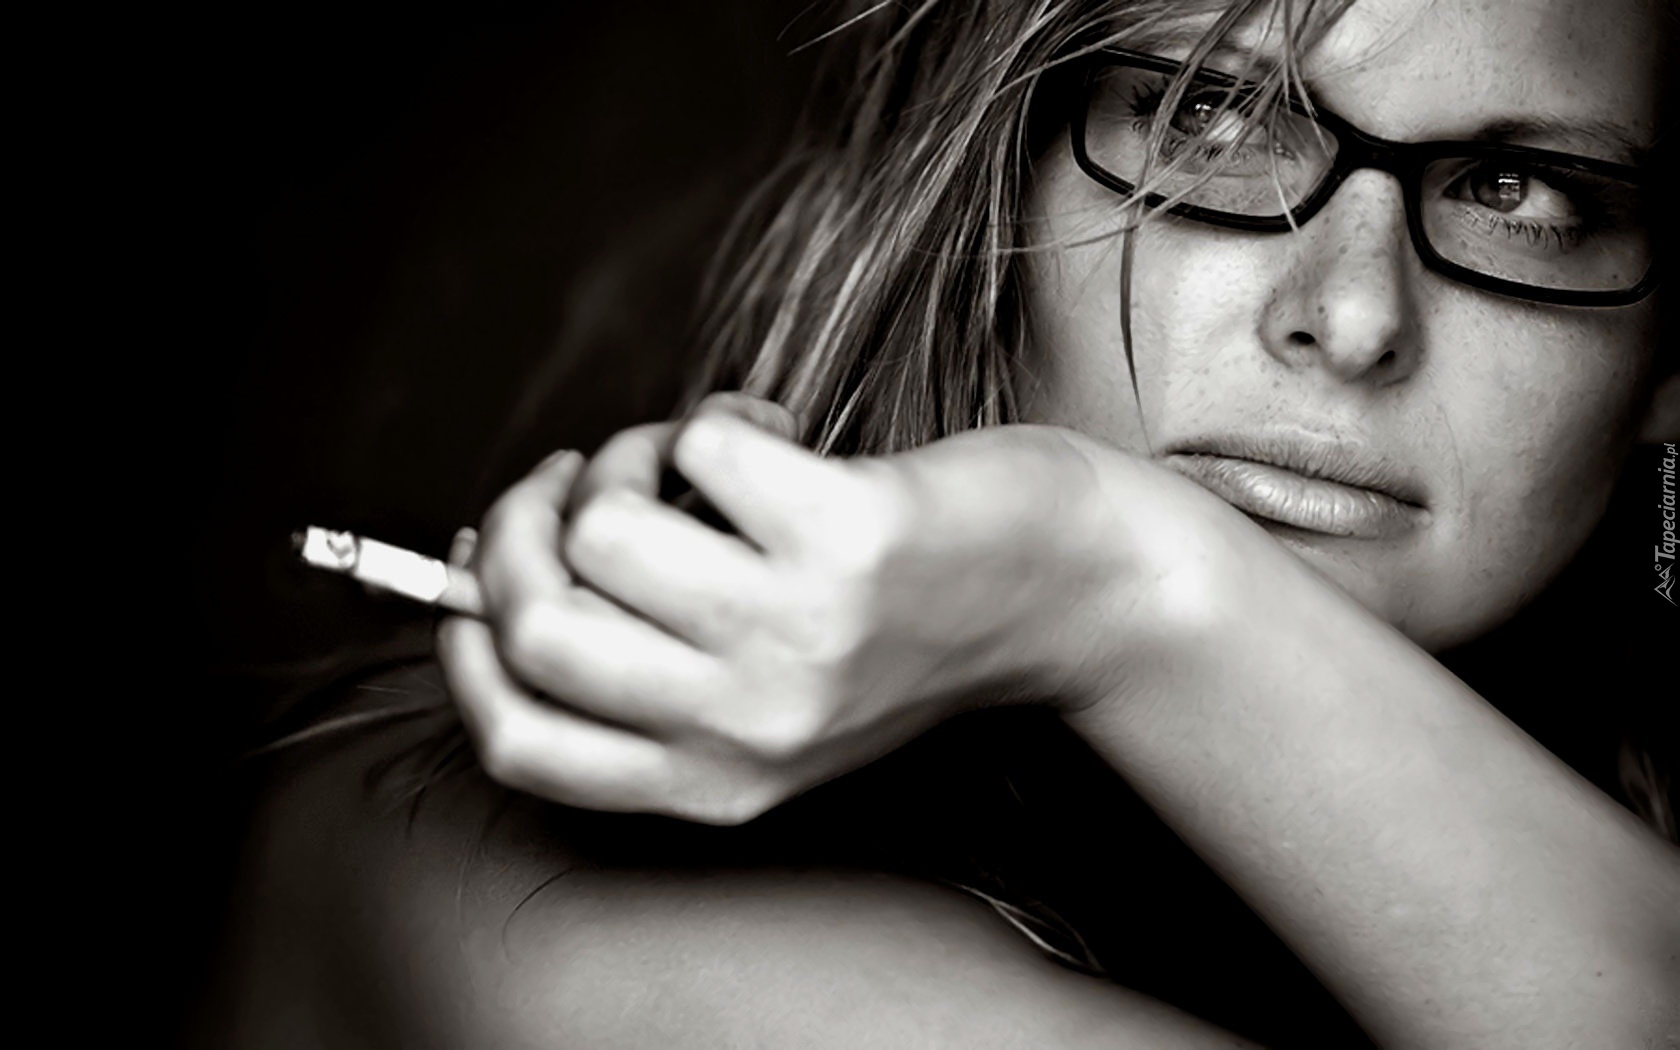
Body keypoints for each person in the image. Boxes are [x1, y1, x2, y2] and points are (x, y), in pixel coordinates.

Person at [198, 0, 1679, 1046]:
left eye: (1524, 193)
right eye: (1210, 116)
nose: (1349, 317)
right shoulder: (470, 870)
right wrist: (1111, 580)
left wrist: (1116, 578)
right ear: (993, 197)